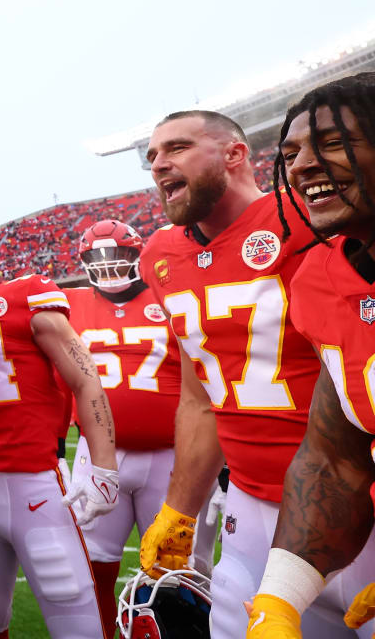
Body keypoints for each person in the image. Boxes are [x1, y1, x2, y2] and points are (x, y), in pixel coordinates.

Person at [136, 110, 354, 638]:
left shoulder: (311, 215)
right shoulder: (160, 255)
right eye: (153, 156)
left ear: (235, 154)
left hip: (348, 497)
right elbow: (200, 397)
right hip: (249, 498)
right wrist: (180, 510)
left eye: (178, 148)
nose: (159, 164)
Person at [245, 73, 375, 638]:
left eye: (331, 141)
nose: (301, 166)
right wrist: (280, 600)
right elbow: (335, 459)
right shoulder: (323, 278)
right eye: (292, 152)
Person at [0, 268, 118, 639]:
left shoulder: (21, 296)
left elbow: (85, 376)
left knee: (75, 617)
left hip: (35, 486)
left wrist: (105, 468)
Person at [63, 218, 184, 631]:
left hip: (170, 454)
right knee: (93, 567)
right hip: (98, 458)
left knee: (171, 571)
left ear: (136, 255)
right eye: (98, 258)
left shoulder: (168, 295)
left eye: (117, 255)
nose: (109, 265)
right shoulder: (68, 303)